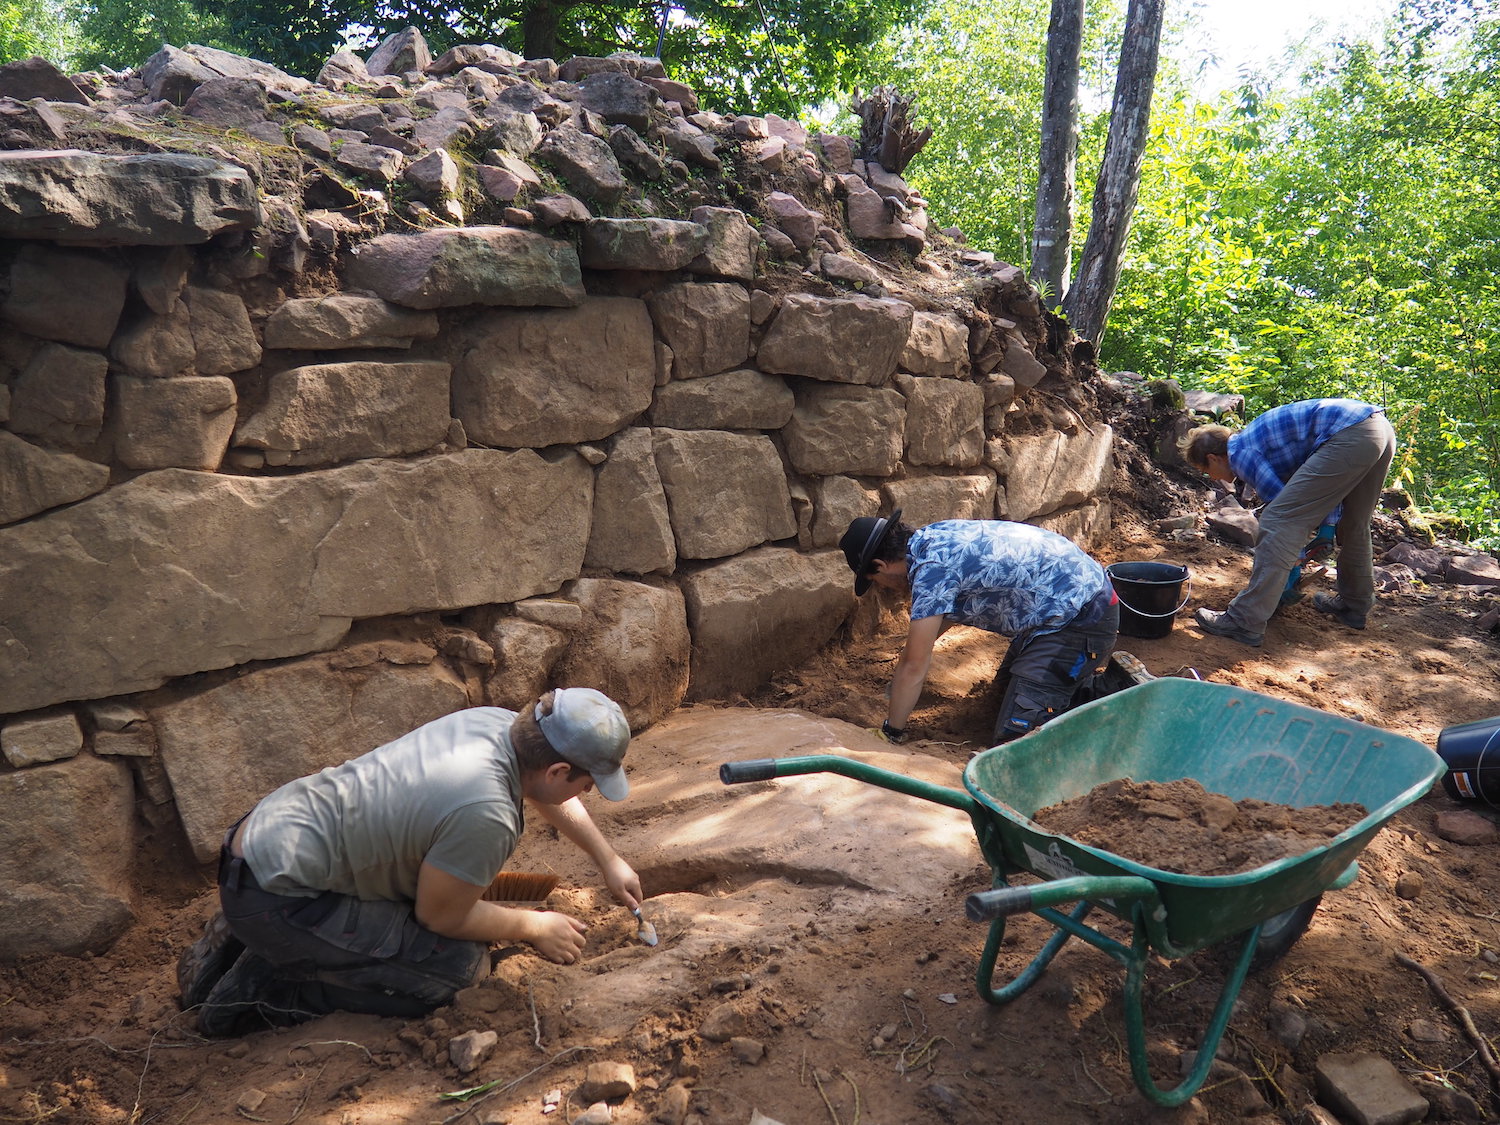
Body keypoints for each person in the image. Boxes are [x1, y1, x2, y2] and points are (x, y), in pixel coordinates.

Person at [177, 688, 643, 1037]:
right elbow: (441, 915)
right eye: (587, 785)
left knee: (432, 907)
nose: (586, 794)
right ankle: (260, 991)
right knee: (458, 972)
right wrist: (535, 926)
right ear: (558, 771)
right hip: (277, 900)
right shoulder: (486, 813)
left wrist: (608, 858)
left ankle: (242, 942)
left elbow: (546, 791)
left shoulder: (499, 725)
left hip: (265, 839)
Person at [839, 510, 1120, 745]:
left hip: (1082, 618)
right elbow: (923, 643)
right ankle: (1092, 688)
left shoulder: (931, 570)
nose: (883, 588)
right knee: (997, 705)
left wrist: (892, 732)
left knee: (1017, 736)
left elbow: (915, 664)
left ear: (880, 565)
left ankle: (1115, 690)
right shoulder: (932, 539)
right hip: (1059, 612)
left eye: (875, 581)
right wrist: (906, 670)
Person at [1181, 398, 1396, 647]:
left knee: (1276, 520)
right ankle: (1354, 606)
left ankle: (1244, 620)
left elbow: (1283, 514)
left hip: (1350, 434)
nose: (1211, 477)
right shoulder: (1255, 442)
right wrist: (1328, 528)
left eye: (1206, 470)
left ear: (1214, 457)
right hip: (1377, 430)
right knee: (1354, 524)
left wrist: (1290, 571)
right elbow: (1324, 489)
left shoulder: (1239, 453)